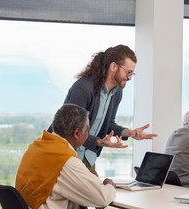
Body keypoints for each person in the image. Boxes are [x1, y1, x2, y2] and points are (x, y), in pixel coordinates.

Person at [16, 104, 132, 209]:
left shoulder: (37, 147)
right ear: (77, 133)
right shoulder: (65, 160)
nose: (88, 135)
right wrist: (109, 185)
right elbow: (101, 199)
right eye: (87, 131)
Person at [50, 44, 156, 175]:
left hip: (88, 155)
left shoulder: (116, 92)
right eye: (128, 72)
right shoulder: (83, 89)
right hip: (65, 155)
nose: (129, 78)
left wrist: (129, 133)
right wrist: (99, 141)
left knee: (97, 193)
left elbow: (108, 124)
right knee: (94, 193)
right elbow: (69, 131)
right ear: (113, 67)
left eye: (132, 74)